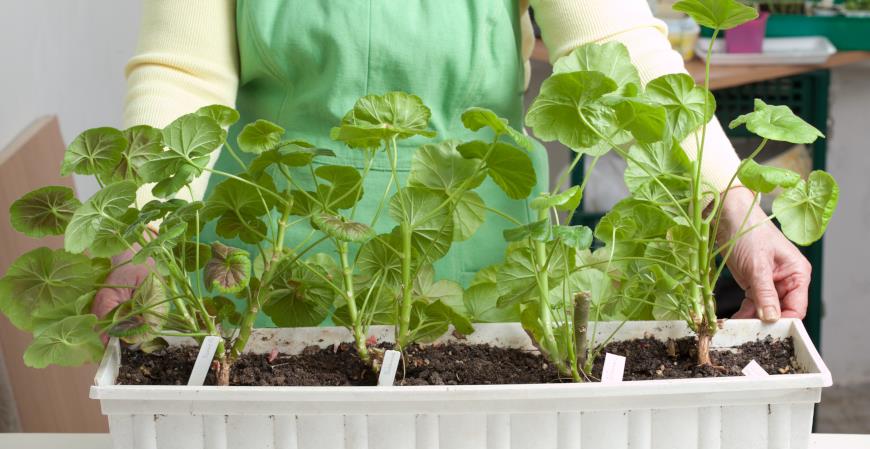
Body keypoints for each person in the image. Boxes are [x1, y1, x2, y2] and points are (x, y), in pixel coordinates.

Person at [93, 0, 811, 328]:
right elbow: (181, 72)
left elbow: (617, 51)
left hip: (472, 251)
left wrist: (734, 204)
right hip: (268, 250)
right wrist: (140, 232)